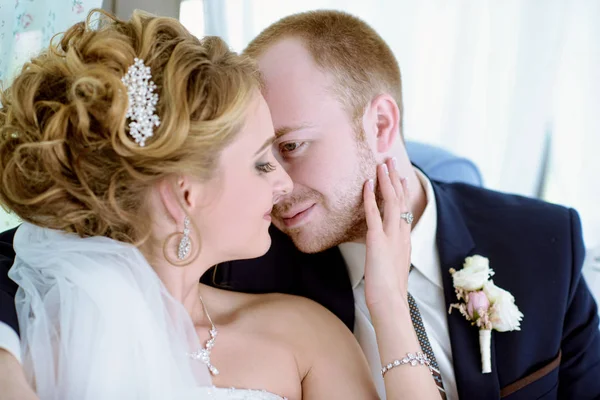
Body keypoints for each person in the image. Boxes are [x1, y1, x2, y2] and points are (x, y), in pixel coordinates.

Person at [0, 9, 442, 400]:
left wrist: (390, 303)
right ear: (184, 193)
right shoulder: (37, 343)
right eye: (262, 162)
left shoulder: (308, 335)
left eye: (287, 150)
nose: (284, 182)